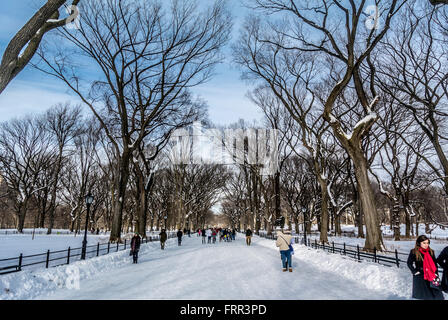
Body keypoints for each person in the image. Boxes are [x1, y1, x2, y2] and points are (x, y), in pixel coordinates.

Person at [407, 235, 444, 300]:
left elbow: (434, 264)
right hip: (421, 276)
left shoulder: (431, 251)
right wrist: (414, 271)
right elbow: (409, 263)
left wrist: (436, 274)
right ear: (419, 243)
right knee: (425, 296)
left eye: (427, 243)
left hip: (432, 276)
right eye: (424, 243)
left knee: (438, 295)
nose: (426, 245)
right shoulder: (414, 252)